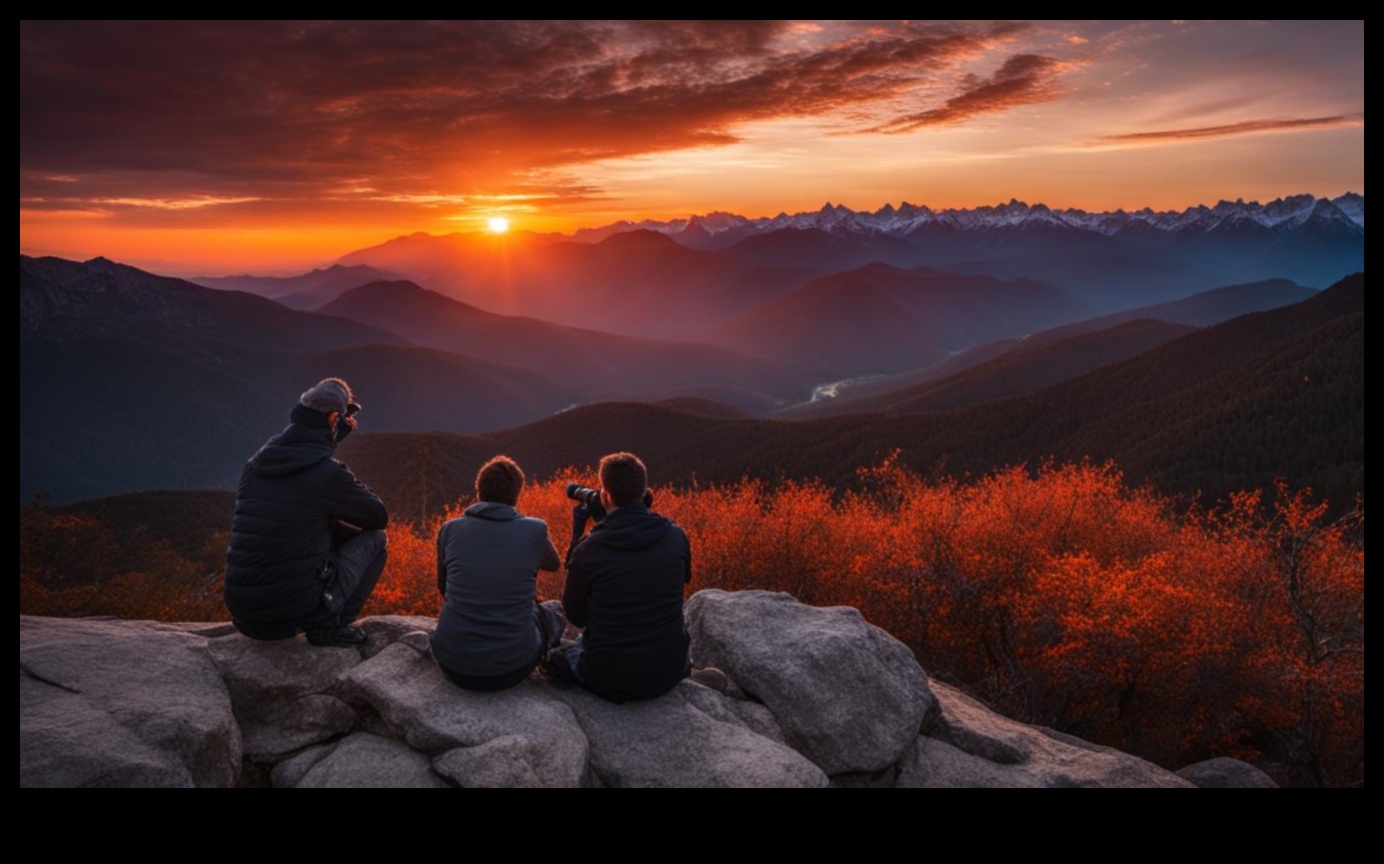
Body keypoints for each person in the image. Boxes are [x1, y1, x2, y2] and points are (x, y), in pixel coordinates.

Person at [223, 378, 388, 648]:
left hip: (244, 612)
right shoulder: (327, 474)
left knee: (316, 523)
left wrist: (327, 439)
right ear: (335, 418)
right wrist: (331, 447)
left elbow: (298, 502)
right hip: (289, 611)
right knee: (376, 539)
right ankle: (331, 624)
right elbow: (378, 516)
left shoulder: (254, 465)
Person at [548, 452, 692, 703]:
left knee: (558, 656)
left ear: (604, 495)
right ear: (645, 491)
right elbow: (680, 584)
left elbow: (576, 617)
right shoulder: (676, 537)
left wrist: (583, 535)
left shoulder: (589, 551)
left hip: (608, 678)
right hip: (669, 671)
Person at [431, 455, 566, 691]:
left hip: (451, 664)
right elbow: (554, 564)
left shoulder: (449, 529)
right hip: (513, 669)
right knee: (555, 611)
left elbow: (444, 588)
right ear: (517, 494)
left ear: (479, 491)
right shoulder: (535, 529)